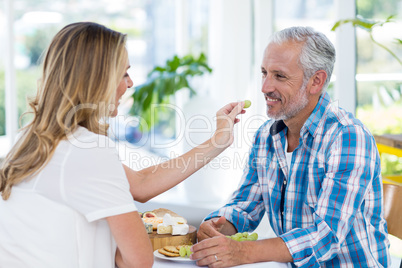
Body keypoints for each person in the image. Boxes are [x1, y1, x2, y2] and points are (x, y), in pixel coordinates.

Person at [0, 22, 245, 268]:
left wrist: (217, 141)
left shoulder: (34, 140)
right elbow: (137, 261)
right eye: (124, 73)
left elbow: (140, 184)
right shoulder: (88, 150)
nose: (129, 84)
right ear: (97, 79)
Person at [191, 26, 390, 267]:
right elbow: (245, 206)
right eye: (264, 73)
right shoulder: (267, 135)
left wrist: (242, 252)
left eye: (279, 76)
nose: (265, 87)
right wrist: (217, 225)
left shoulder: (347, 137)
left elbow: (324, 237)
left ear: (316, 81)